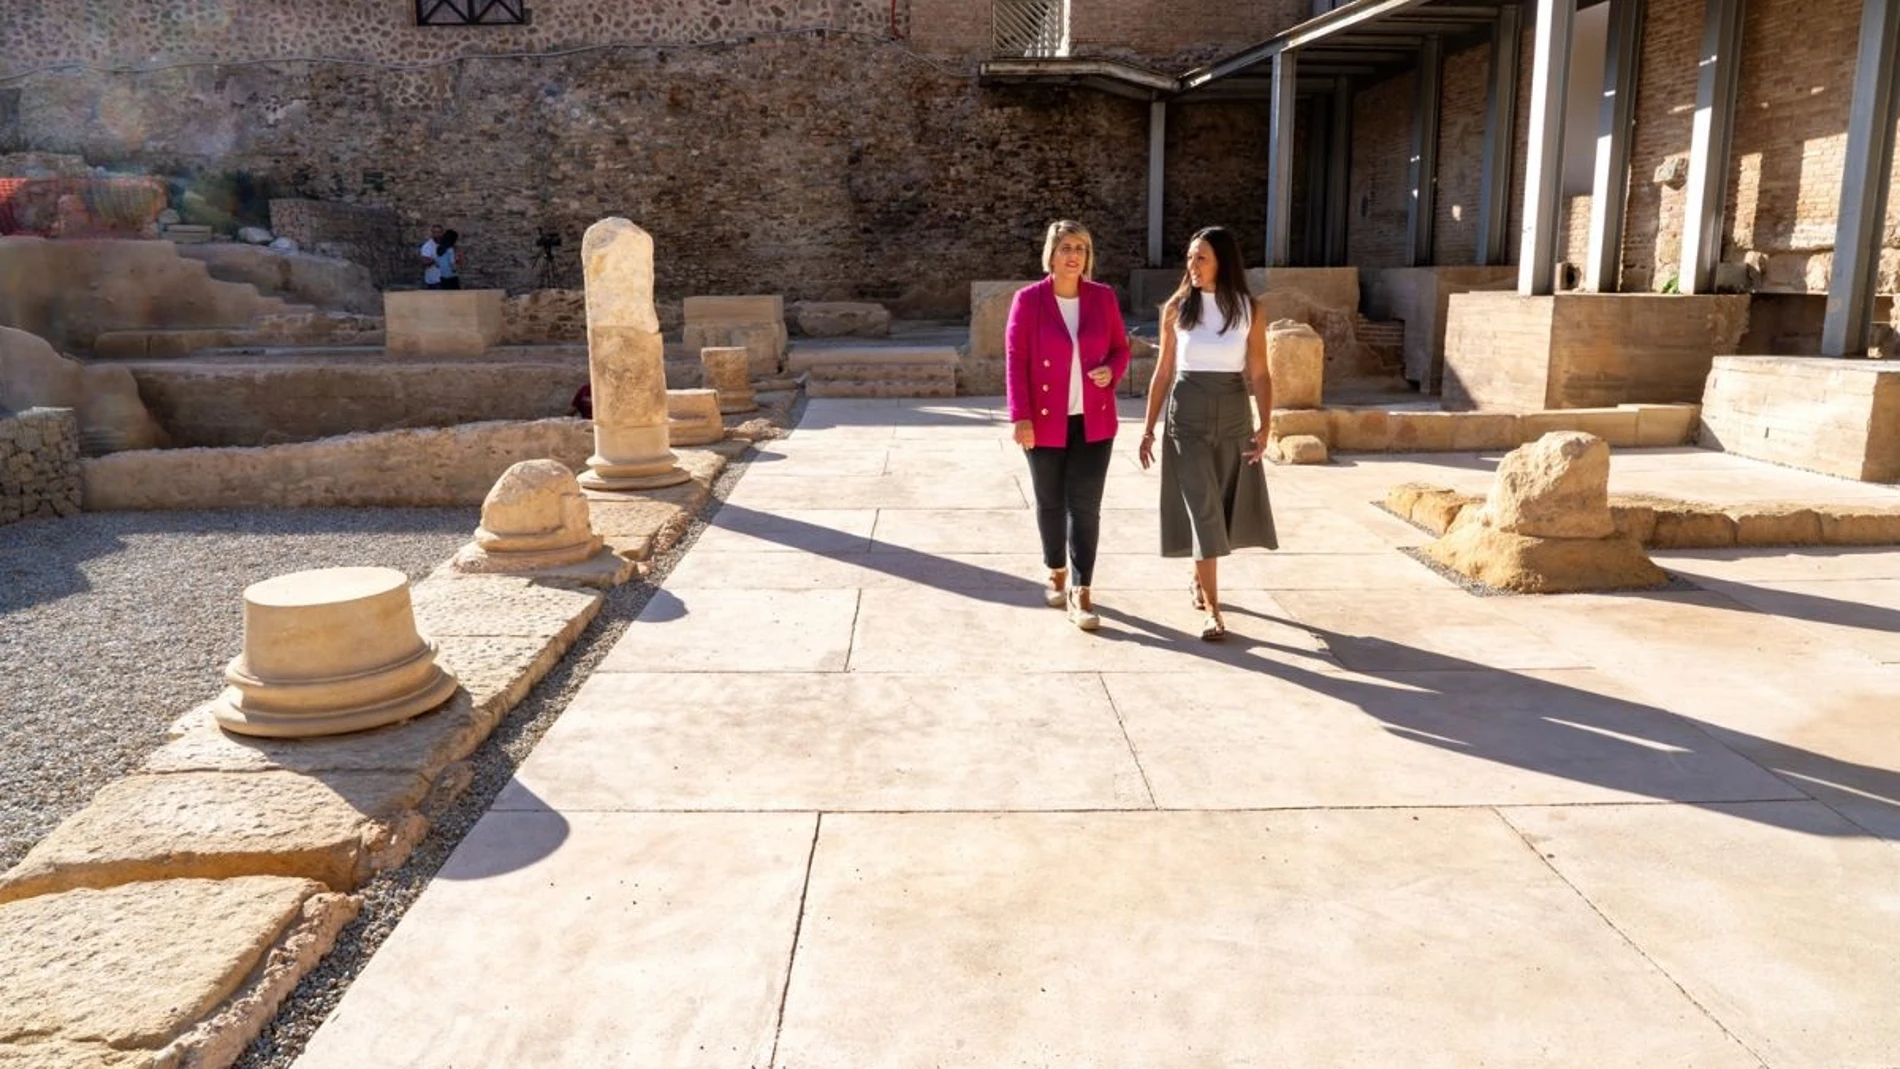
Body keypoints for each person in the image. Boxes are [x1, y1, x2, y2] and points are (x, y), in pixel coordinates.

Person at [1136, 225, 1278, 641]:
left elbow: (1260, 372)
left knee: (1223, 505)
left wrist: (1266, 423)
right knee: (1204, 510)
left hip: (1233, 414)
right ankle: (1214, 611)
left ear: (1221, 262)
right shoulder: (1176, 308)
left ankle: (1200, 579)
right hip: (1187, 418)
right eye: (1189, 258)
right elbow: (1163, 372)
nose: (1192, 266)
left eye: (1201, 258)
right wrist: (1147, 429)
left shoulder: (1250, 308)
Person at [1005, 219, 1131, 631]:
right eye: (1065, 247)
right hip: (1043, 422)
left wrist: (1111, 371)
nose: (1073, 255)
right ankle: (1055, 568)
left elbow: (1120, 349)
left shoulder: (1103, 298)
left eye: (1080, 247)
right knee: (1050, 502)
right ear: (1051, 255)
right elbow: (1016, 362)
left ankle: (1082, 590)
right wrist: (1020, 417)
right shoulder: (1028, 300)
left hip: (1094, 421)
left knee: (1086, 508)